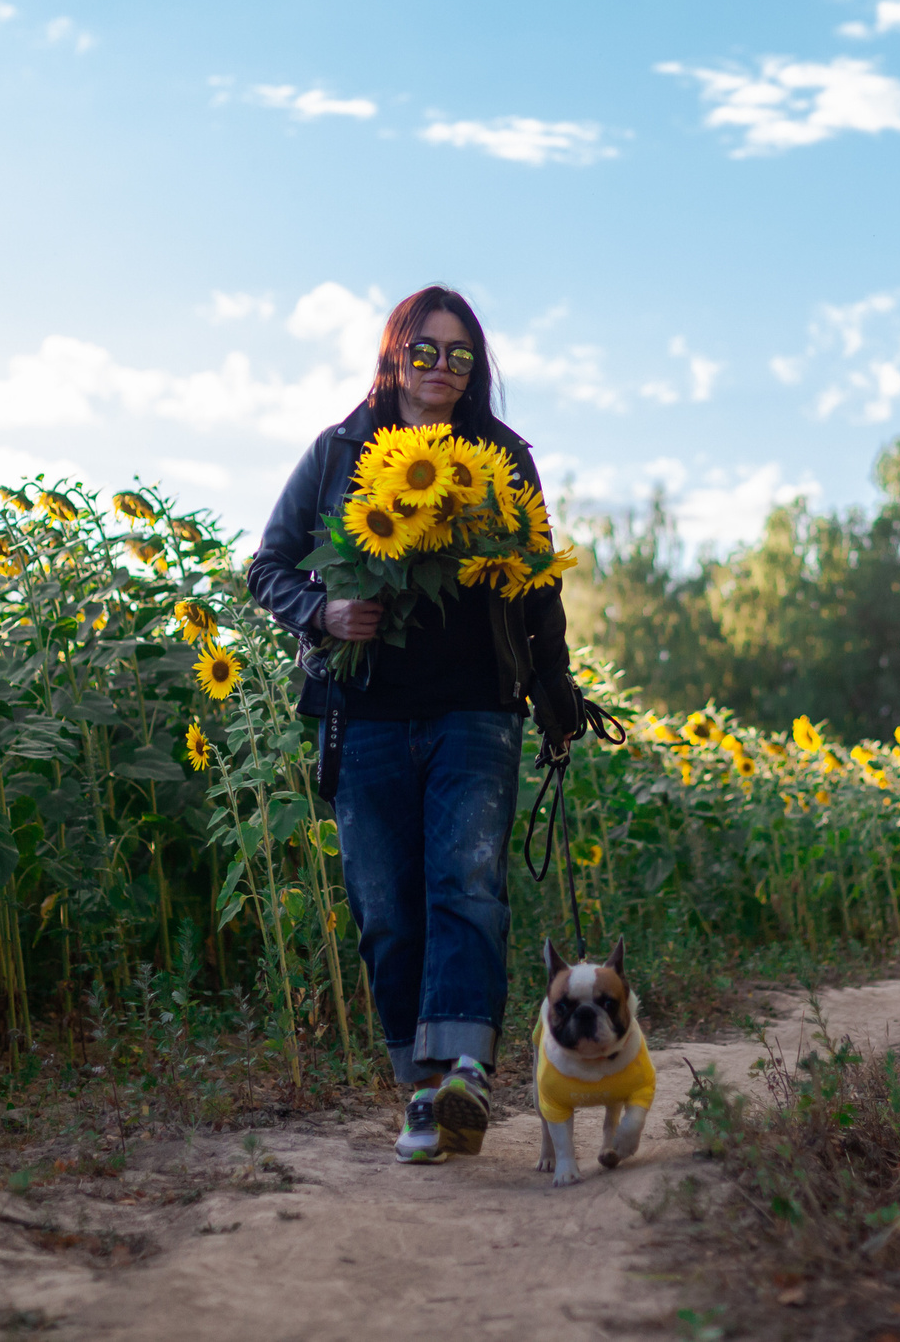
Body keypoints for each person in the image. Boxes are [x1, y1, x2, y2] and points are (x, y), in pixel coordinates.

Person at [248, 286, 579, 1164]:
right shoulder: (339, 454)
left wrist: (557, 697)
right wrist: (325, 612)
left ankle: (464, 1071)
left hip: (477, 707)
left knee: (466, 883)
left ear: (477, 369)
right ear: (394, 354)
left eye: (460, 354)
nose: (442, 367)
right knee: (387, 908)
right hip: (364, 714)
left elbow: (539, 584)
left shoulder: (502, 458)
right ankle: (421, 1090)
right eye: (425, 350)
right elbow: (268, 566)